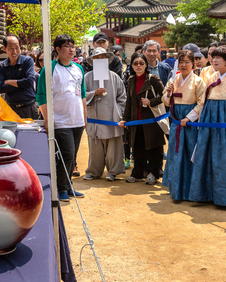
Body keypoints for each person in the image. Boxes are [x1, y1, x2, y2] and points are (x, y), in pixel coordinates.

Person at [188, 46, 226, 207]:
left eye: (218, 58)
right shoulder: (210, 77)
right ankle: (207, 194)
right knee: (207, 156)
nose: (214, 60)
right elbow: (203, 100)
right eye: (213, 57)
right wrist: (195, 118)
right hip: (210, 121)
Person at [36, 34, 86, 201]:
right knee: (66, 154)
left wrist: (84, 117)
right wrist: (48, 120)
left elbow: (83, 94)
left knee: (73, 156)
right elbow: (41, 95)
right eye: (67, 46)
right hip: (60, 120)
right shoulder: (49, 69)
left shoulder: (78, 69)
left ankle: (69, 185)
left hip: (77, 120)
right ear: (57, 49)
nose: (72, 49)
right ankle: (60, 188)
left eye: (73, 46)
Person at [161, 50, 206, 200]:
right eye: (181, 62)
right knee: (174, 155)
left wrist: (189, 118)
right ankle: (175, 188)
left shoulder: (198, 81)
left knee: (189, 155)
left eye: (187, 62)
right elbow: (165, 101)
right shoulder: (174, 79)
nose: (184, 65)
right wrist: (168, 93)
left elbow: (201, 103)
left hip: (190, 125)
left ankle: (189, 190)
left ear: (194, 64)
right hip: (175, 123)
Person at [119, 53, 166, 185]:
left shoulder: (153, 79)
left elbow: (165, 96)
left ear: (146, 65)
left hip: (151, 121)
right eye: (135, 63)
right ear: (132, 65)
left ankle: (153, 173)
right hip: (136, 121)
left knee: (153, 148)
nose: (138, 66)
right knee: (137, 147)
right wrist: (124, 119)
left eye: (141, 63)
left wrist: (151, 101)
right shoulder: (131, 80)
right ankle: (138, 173)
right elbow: (129, 102)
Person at [83, 47, 126, 181]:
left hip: (111, 118)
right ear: (92, 60)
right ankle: (94, 171)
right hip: (94, 118)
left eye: (103, 57)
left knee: (113, 147)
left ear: (107, 60)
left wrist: (118, 112)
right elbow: (81, 96)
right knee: (95, 147)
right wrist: (93, 93)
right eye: (97, 58)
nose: (100, 60)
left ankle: (113, 171)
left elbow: (122, 97)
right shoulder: (87, 77)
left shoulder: (114, 77)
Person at [0, 34, 39, 119]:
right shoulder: (2, 65)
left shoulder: (27, 61)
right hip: (11, 108)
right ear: (4, 49)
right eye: (10, 48)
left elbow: (29, 82)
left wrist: (8, 82)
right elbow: (0, 88)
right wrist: (21, 83)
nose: (14, 51)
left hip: (28, 107)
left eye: (17, 47)